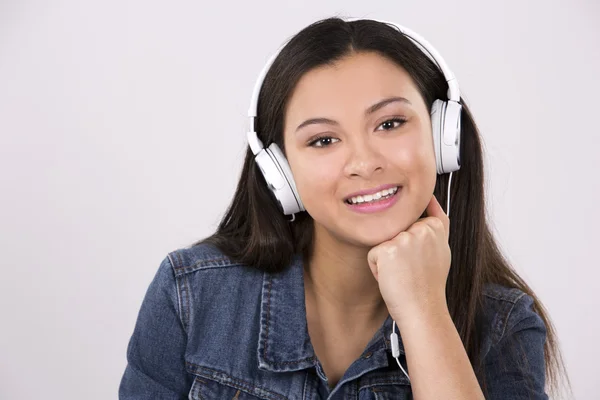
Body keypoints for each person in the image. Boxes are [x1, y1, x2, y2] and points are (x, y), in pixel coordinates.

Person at [119, 17, 570, 399]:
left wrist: (424, 309)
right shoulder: (191, 296)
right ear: (281, 171)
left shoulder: (503, 326)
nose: (364, 162)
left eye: (390, 123)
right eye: (323, 140)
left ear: (441, 136)